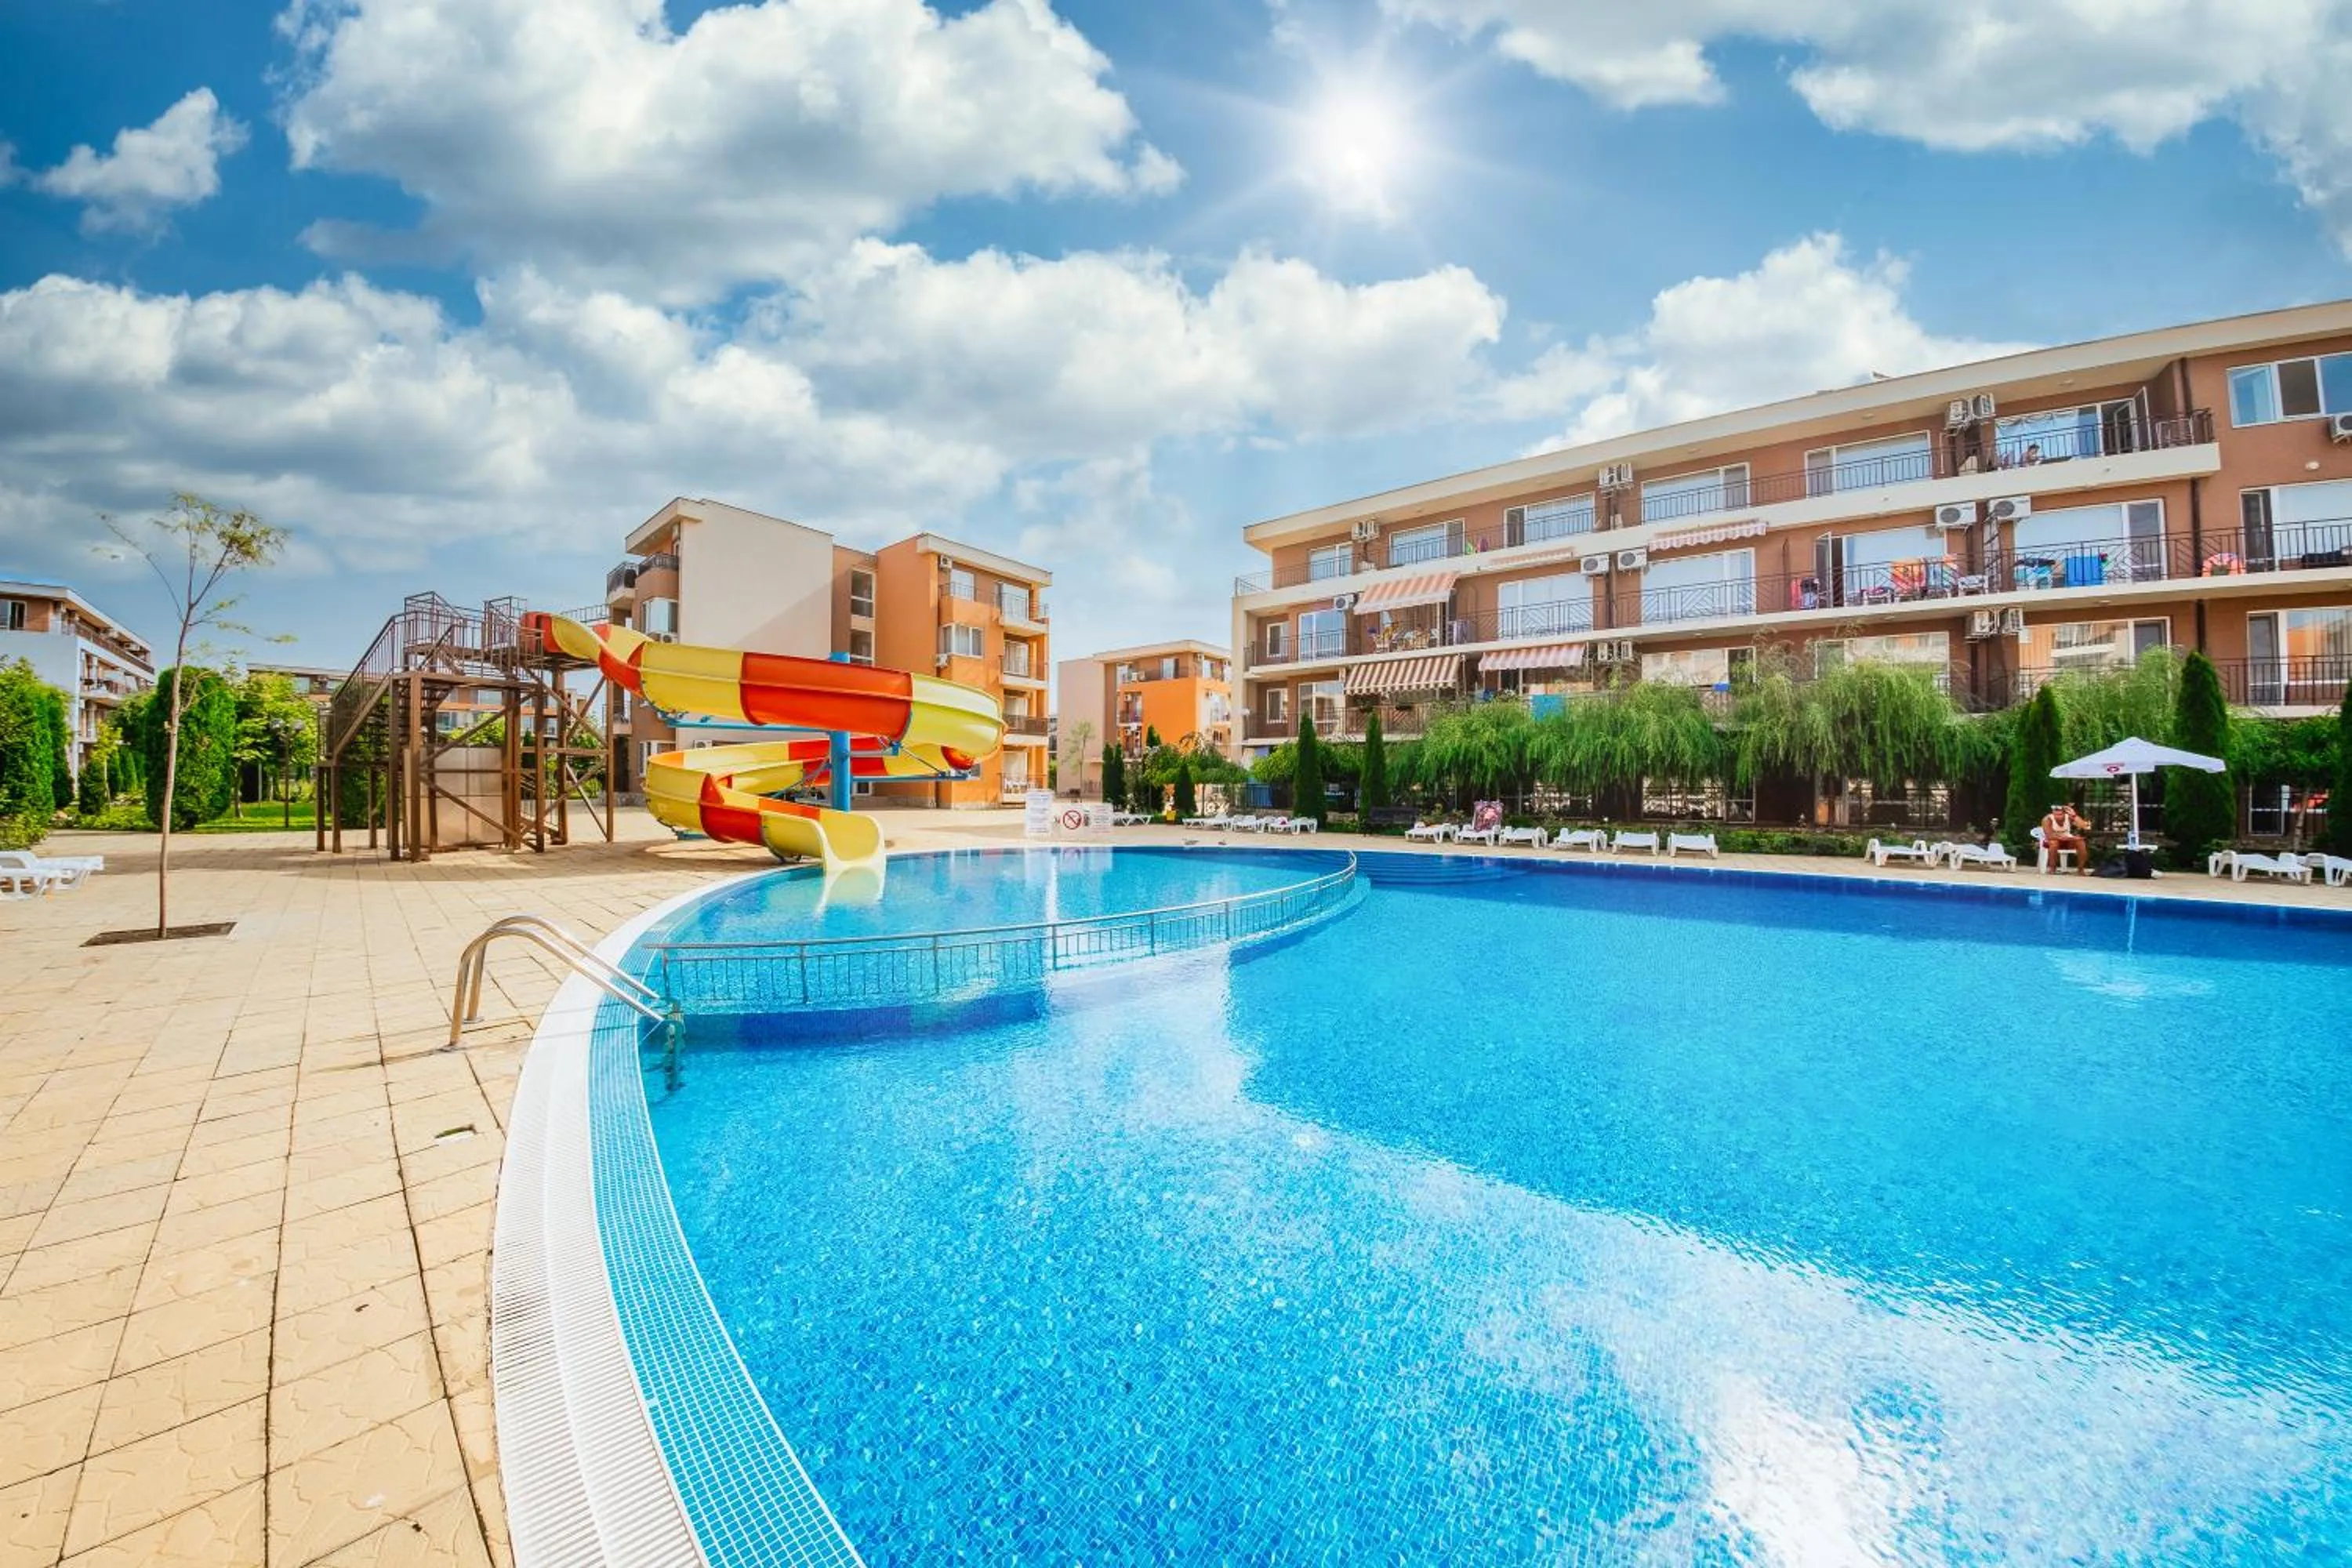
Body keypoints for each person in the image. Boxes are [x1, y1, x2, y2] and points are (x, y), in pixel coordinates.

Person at [2039, 802, 2090, 874]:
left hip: (2067, 840)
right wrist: (2070, 838)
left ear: (2064, 813)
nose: (2057, 817)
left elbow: (2085, 826)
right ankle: (2052, 868)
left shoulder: (2069, 817)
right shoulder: (2047, 819)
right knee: (2054, 843)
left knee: (2081, 843)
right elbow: (2050, 836)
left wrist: (2074, 815)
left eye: (2060, 814)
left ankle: (2080, 869)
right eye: (2055, 814)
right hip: (2052, 841)